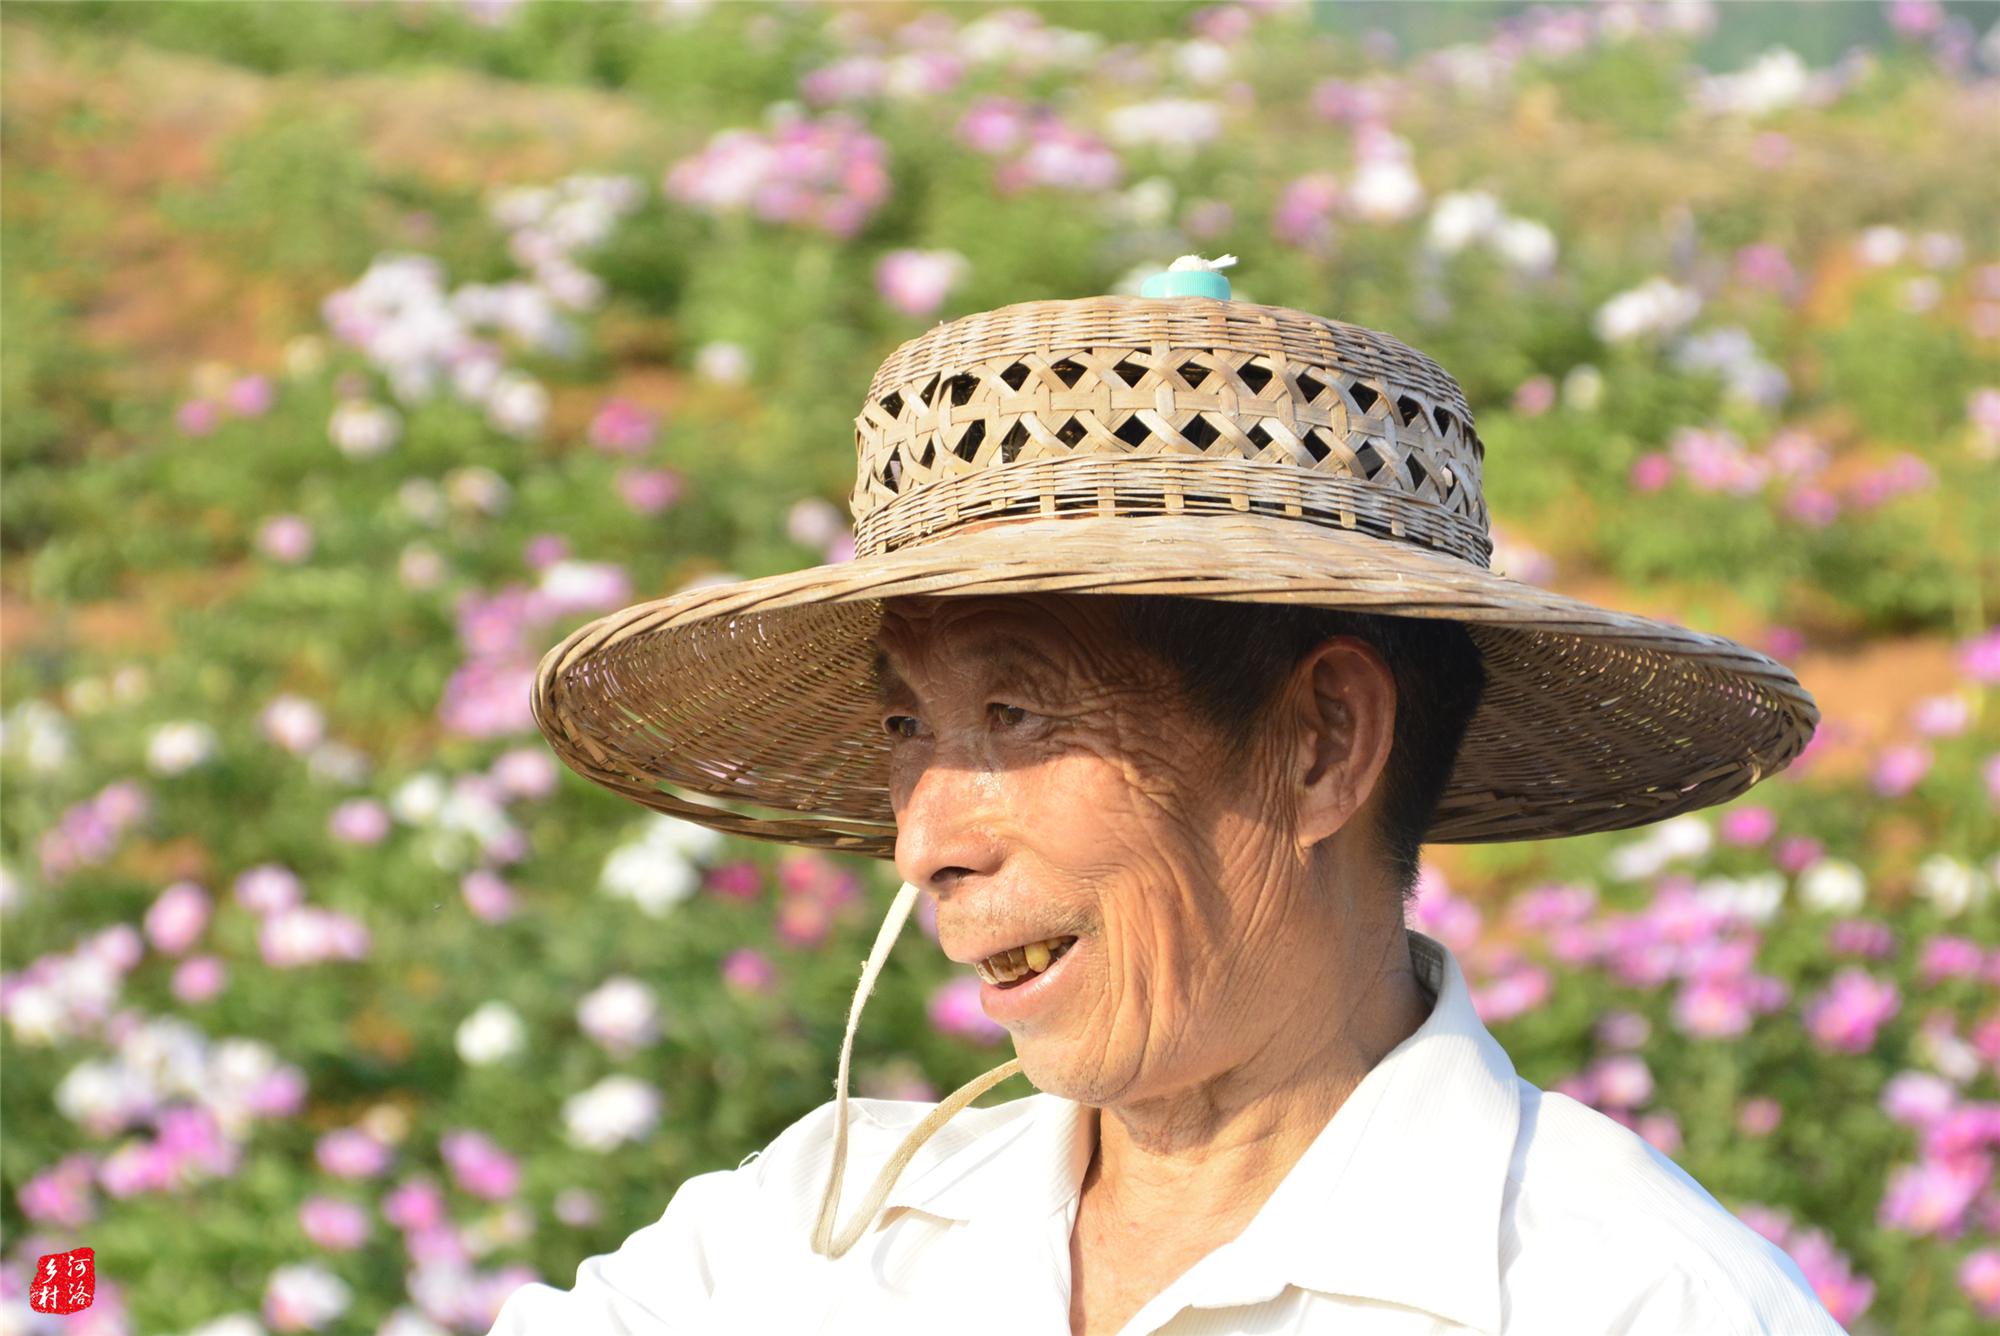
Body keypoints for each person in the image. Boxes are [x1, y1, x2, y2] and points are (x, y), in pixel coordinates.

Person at [495, 257, 1842, 1333]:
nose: (921, 843)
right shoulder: (799, 1244)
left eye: (1017, 715)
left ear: (1323, 742)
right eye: (909, 723)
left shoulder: (1622, 1300)